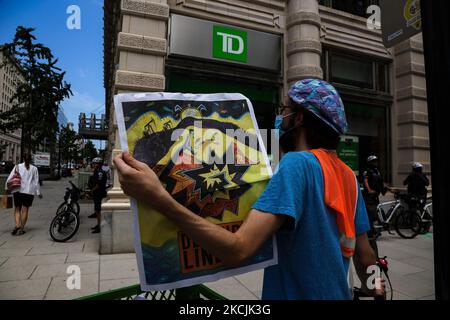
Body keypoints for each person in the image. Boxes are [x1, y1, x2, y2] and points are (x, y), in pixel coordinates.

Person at [114, 79, 385, 300]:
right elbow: (364, 254)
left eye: (285, 110)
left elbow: (239, 249)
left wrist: (158, 198)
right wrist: (375, 284)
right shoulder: (349, 175)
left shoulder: (296, 164)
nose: (281, 117)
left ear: (298, 119)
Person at [5, 154, 42, 236]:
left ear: (23, 159)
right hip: (29, 192)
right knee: (25, 210)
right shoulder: (34, 169)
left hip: (18, 190)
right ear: (31, 159)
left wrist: (6, 188)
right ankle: (21, 229)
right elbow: (36, 182)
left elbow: (10, 177)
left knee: (17, 209)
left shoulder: (17, 166)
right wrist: (38, 193)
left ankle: (17, 225)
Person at [362, 155, 387, 256]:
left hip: (376, 195)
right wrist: (369, 190)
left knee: (375, 211)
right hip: (370, 196)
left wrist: (385, 189)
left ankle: (375, 229)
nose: (375, 162)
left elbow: (381, 182)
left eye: (376, 161)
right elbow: (365, 180)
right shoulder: (367, 171)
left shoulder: (377, 171)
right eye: (373, 161)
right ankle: (370, 231)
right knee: (371, 213)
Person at [88, 157, 107, 234]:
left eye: (95, 163)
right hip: (97, 193)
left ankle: (99, 227)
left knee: (98, 211)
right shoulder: (97, 171)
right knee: (96, 210)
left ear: (99, 164)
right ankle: (98, 224)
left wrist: (92, 190)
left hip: (99, 193)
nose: (93, 165)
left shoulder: (100, 172)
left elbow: (99, 184)